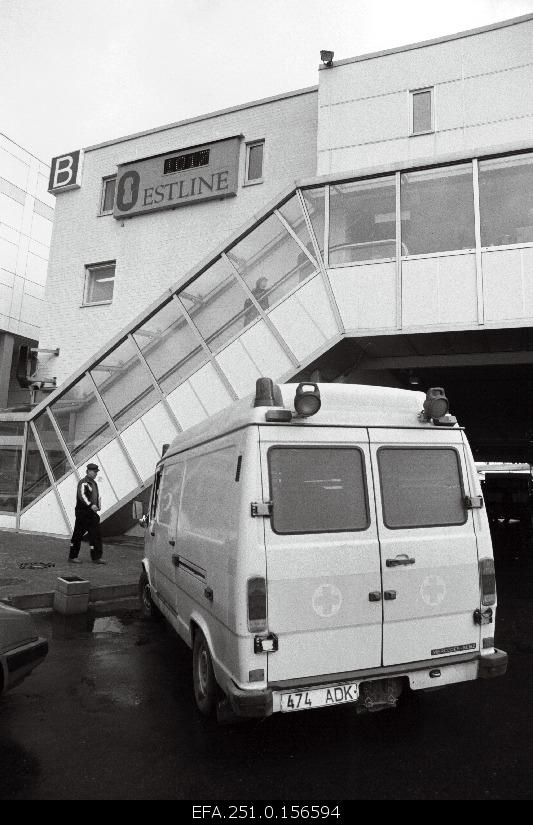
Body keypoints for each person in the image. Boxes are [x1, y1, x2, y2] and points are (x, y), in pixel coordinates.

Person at [68, 463, 106, 564]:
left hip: (91, 513)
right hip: (82, 513)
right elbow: (82, 496)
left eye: (96, 472)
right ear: (88, 471)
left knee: (96, 535)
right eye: (94, 472)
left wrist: (97, 505)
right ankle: (72, 556)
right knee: (78, 535)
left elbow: (94, 496)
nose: (96, 474)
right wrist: (91, 505)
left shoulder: (93, 483)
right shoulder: (83, 483)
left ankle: (96, 557)